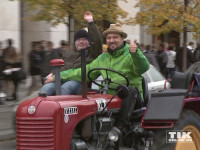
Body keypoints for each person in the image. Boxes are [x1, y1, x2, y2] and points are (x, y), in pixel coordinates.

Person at [44, 23, 150, 129]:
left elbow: (143, 67)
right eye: (109, 38)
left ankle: (120, 127)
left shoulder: (131, 54)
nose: (112, 40)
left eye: (115, 37)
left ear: (122, 38)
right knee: (82, 92)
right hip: (108, 96)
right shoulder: (102, 58)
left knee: (129, 91)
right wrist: (57, 76)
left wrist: (135, 54)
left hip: (128, 96)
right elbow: (82, 72)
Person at [40, 11, 102, 95]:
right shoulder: (68, 53)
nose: (81, 41)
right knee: (46, 88)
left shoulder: (92, 53)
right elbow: (60, 66)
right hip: (60, 79)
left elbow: (97, 40)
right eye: (79, 39)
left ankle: (61, 107)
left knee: (65, 88)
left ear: (89, 42)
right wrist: (52, 74)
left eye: (84, 39)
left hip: (78, 82)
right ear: (75, 42)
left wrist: (91, 22)